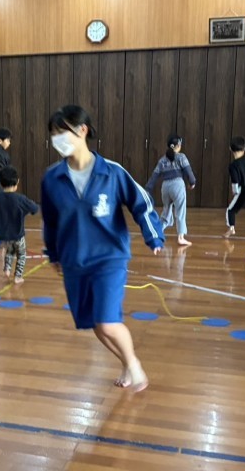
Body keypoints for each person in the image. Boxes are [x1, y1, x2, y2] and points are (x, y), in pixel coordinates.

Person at [41, 105, 165, 393]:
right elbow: (50, 221)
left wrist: (153, 236)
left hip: (110, 258)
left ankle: (134, 365)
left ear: (82, 130)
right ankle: (126, 362)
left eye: (62, 132)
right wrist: (54, 254)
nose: (57, 139)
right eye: (54, 134)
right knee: (97, 325)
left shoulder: (111, 172)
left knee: (108, 322)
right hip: (75, 262)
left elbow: (141, 202)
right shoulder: (51, 179)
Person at [0, 166, 39, 284]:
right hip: (18, 234)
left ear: (0, 182)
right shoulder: (20, 199)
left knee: (9, 250)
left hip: (4, 235)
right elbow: (34, 208)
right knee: (21, 254)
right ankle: (18, 276)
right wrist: (31, 210)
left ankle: (7, 269)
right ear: (17, 182)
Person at [145, 134, 196, 246]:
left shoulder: (162, 160)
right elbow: (188, 171)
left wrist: (148, 189)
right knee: (180, 211)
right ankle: (181, 237)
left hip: (165, 187)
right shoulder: (181, 157)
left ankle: (157, 231)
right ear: (178, 145)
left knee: (166, 211)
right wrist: (192, 182)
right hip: (177, 185)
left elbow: (154, 176)